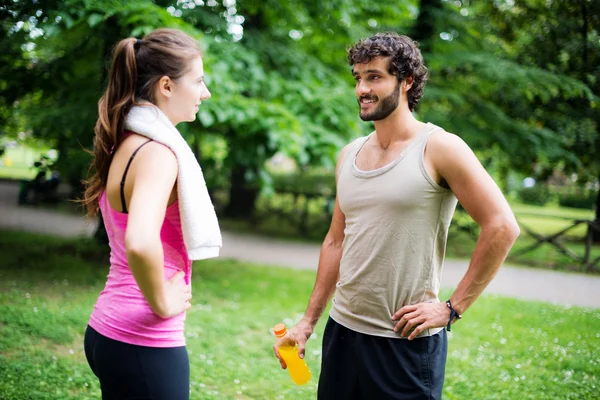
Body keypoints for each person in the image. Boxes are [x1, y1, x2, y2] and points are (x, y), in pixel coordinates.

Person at [273, 32, 520, 399]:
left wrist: (453, 308)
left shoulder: (439, 147)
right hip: (342, 332)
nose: (361, 88)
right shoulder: (349, 154)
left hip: (403, 343)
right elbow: (335, 240)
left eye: (374, 76)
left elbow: (502, 226)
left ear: (406, 81)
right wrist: (308, 322)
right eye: (357, 77)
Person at [82, 28, 220, 399]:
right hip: (143, 338)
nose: (205, 93)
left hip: (107, 330)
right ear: (166, 86)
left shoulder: (126, 143)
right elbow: (140, 242)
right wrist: (162, 302)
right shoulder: (158, 155)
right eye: (199, 81)